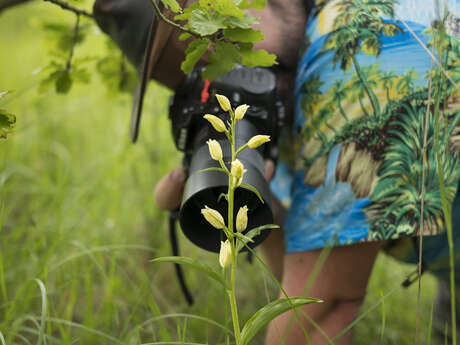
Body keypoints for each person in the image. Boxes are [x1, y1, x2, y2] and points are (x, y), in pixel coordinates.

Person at [93, 0, 460, 344]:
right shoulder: (286, 77)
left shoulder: (362, 42)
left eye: (216, 31)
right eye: (193, 74)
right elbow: (305, 253)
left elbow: (323, 308)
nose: (230, 79)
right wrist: (246, 206)